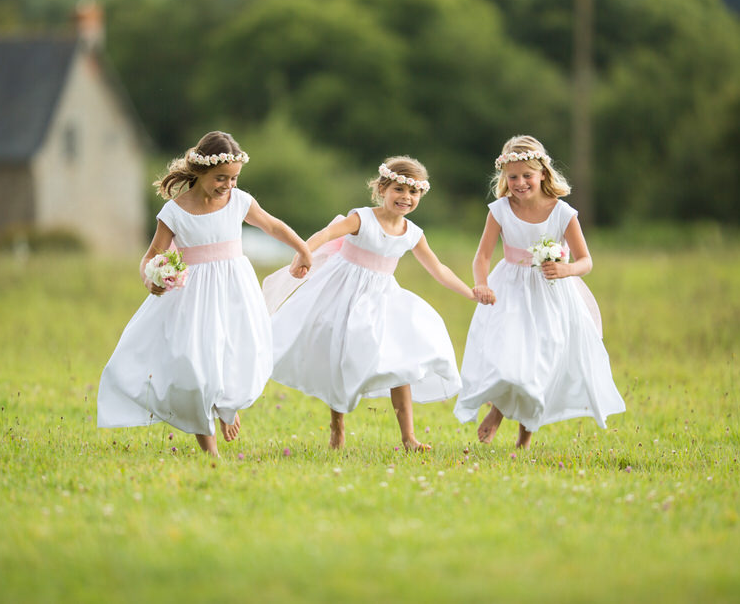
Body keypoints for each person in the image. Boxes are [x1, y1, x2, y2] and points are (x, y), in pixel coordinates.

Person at [97, 131, 312, 457]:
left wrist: (303, 249)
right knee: (196, 365)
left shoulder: (239, 201)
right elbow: (151, 255)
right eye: (220, 178)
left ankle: (226, 405)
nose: (228, 184)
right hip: (193, 298)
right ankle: (210, 450)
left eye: (234, 178)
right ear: (199, 172)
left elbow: (272, 226)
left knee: (235, 352)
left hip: (235, 292)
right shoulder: (175, 211)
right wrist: (149, 278)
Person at [264, 157, 489, 451]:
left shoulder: (413, 233)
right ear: (382, 188)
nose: (405, 198)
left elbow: (438, 269)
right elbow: (327, 234)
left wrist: (470, 292)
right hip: (342, 291)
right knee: (341, 355)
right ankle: (337, 425)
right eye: (399, 189)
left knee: (401, 360)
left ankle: (408, 437)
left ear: (421, 195)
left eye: (413, 193)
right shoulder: (363, 219)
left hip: (381, 297)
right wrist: (302, 254)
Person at [454, 135, 625, 449]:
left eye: (527, 176)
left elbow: (585, 260)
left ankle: (524, 439)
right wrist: (482, 284)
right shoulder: (500, 210)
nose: (520, 183)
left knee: (538, 362)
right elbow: (482, 256)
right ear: (504, 178)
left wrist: (566, 269)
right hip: (509, 291)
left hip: (550, 293)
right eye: (513, 177)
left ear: (543, 173)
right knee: (509, 354)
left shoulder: (563, 213)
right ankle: (498, 411)